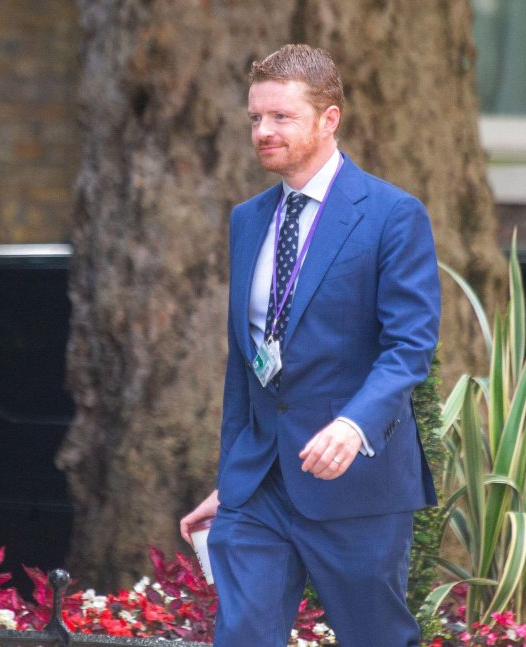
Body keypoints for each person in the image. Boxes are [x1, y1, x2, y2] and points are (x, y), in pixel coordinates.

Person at [180, 43, 441, 647]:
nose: (263, 132)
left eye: (281, 117)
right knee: (243, 634)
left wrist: (355, 426)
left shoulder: (391, 215)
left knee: (375, 637)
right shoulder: (248, 219)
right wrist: (233, 478)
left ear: (330, 119)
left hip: (356, 482)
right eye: (255, 118)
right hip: (260, 488)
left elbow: (410, 345)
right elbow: (245, 365)